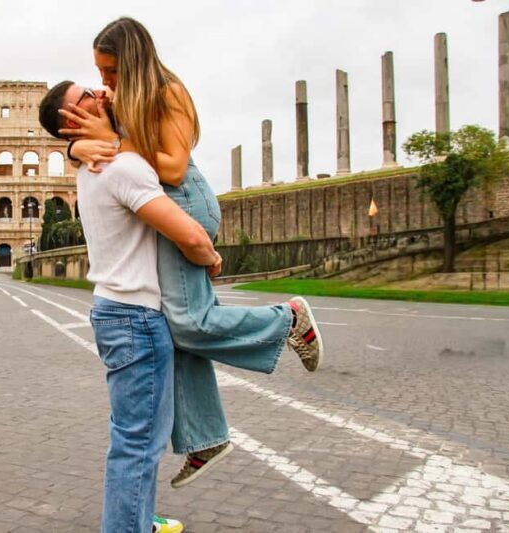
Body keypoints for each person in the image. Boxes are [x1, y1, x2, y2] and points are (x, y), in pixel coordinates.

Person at [56, 16, 324, 489]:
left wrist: (114, 142)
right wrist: (79, 149)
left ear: (133, 61)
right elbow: (80, 144)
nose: (104, 80)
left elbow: (174, 168)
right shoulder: (118, 98)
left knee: (186, 323)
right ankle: (205, 436)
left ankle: (288, 320)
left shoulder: (169, 92)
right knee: (168, 326)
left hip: (184, 202)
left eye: (111, 70)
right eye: (99, 71)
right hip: (155, 205)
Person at [40, 82, 218, 533]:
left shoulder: (92, 165)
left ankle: (136, 518)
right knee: (139, 442)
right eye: (86, 96)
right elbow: (189, 233)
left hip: (116, 311)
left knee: (135, 436)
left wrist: (76, 147)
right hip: (137, 316)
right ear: (71, 121)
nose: (100, 94)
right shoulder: (120, 167)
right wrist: (209, 255)